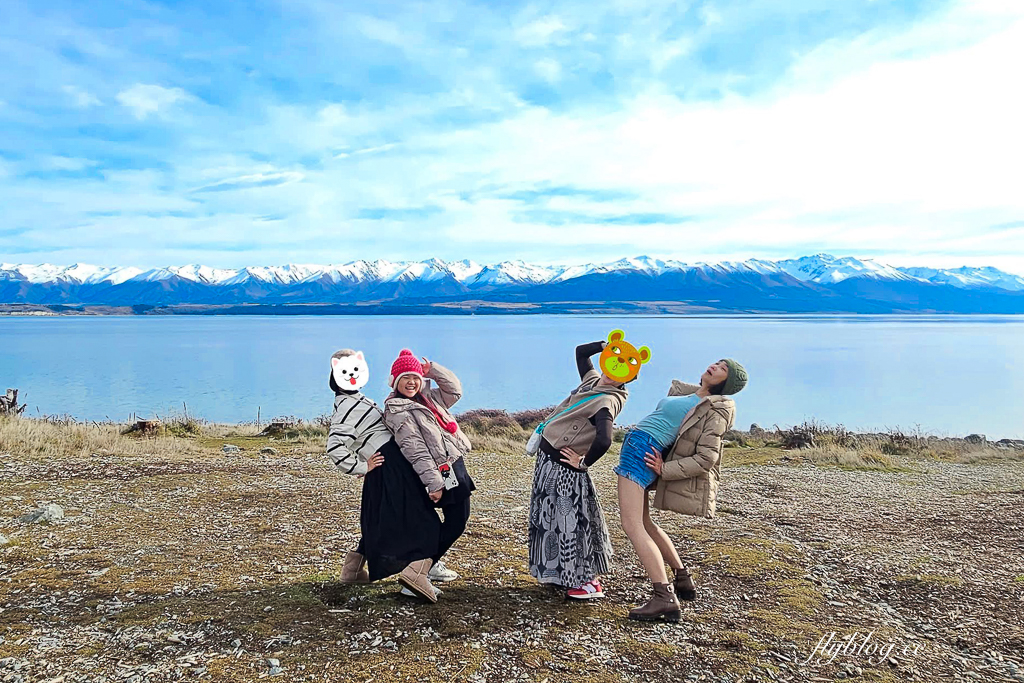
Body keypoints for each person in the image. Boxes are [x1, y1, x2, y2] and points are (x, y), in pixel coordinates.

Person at [619, 358, 748, 622]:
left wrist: (665, 469)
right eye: (717, 362)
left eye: (723, 369)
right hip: (638, 447)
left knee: (631, 525)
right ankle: (682, 579)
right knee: (645, 523)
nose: (715, 366)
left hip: (642, 452)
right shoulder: (692, 394)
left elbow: (706, 458)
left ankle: (664, 598)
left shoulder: (716, 409)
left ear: (727, 382)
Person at [527, 336, 634, 600]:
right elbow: (580, 353)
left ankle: (588, 582)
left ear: (628, 378)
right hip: (549, 464)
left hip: (565, 471)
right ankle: (558, 574)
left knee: (570, 525)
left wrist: (583, 463)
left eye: (620, 372)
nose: (611, 374)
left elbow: (604, 439)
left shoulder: (606, 401)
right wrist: (607, 345)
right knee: (550, 521)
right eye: (611, 364)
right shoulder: (592, 383)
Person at [326, 349, 443, 588]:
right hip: (388, 464)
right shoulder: (347, 407)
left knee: (380, 518)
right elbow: (335, 447)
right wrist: (360, 465)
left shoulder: (355, 399)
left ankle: (353, 568)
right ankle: (422, 569)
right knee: (416, 514)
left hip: (389, 462)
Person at [382, 349, 475, 603]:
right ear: (395, 381)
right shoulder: (397, 409)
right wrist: (435, 483)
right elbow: (417, 451)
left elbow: (455, 390)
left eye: (414, 377)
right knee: (457, 520)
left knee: (455, 519)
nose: (411, 382)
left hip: (453, 463)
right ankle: (416, 572)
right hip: (441, 471)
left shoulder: (429, 397)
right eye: (405, 378)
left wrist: (432, 369)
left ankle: (426, 566)